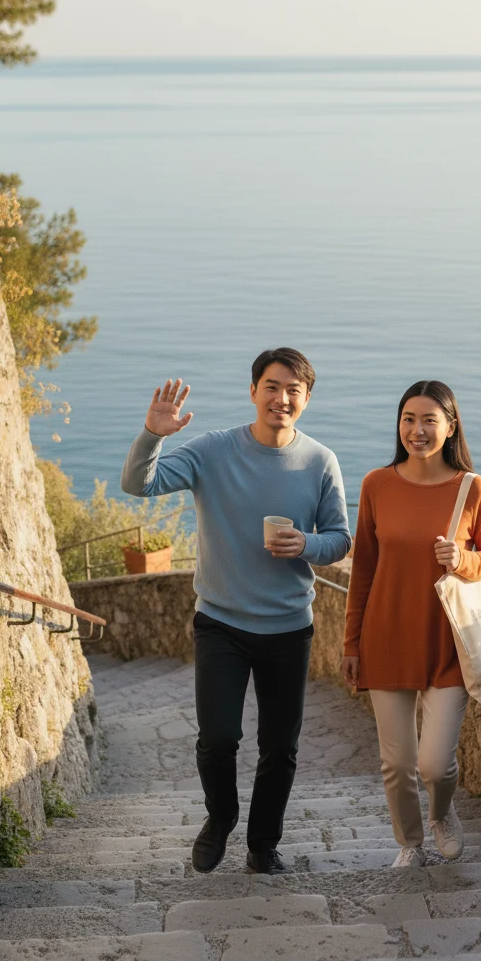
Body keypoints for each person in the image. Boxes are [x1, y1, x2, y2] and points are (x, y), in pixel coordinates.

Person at [121, 348, 351, 875]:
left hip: (289, 628)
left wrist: (307, 546)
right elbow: (139, 485)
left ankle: (262, 843)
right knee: (219, 737)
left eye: (293, 390)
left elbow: (340, 539)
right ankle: (220, 816)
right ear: (253, 391)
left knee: (281, 747)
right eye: (272, 386)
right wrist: (153, 434)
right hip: (221, 623)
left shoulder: (320, 461)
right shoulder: (214, 450)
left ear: (307, 399)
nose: (282, 398)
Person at [342, 380, 481, 867]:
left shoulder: (473, 488)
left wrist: (463, 561)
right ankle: (409, 842)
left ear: (451, 427)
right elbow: (364, 570)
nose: (417, 429)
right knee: (397, 764)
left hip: (448, 643)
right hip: (386, 637)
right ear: (399, 425)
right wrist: (351, 644)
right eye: (408, 419)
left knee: (435, 765)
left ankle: (441, 813)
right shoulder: (376, 484)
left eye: (429, 420)